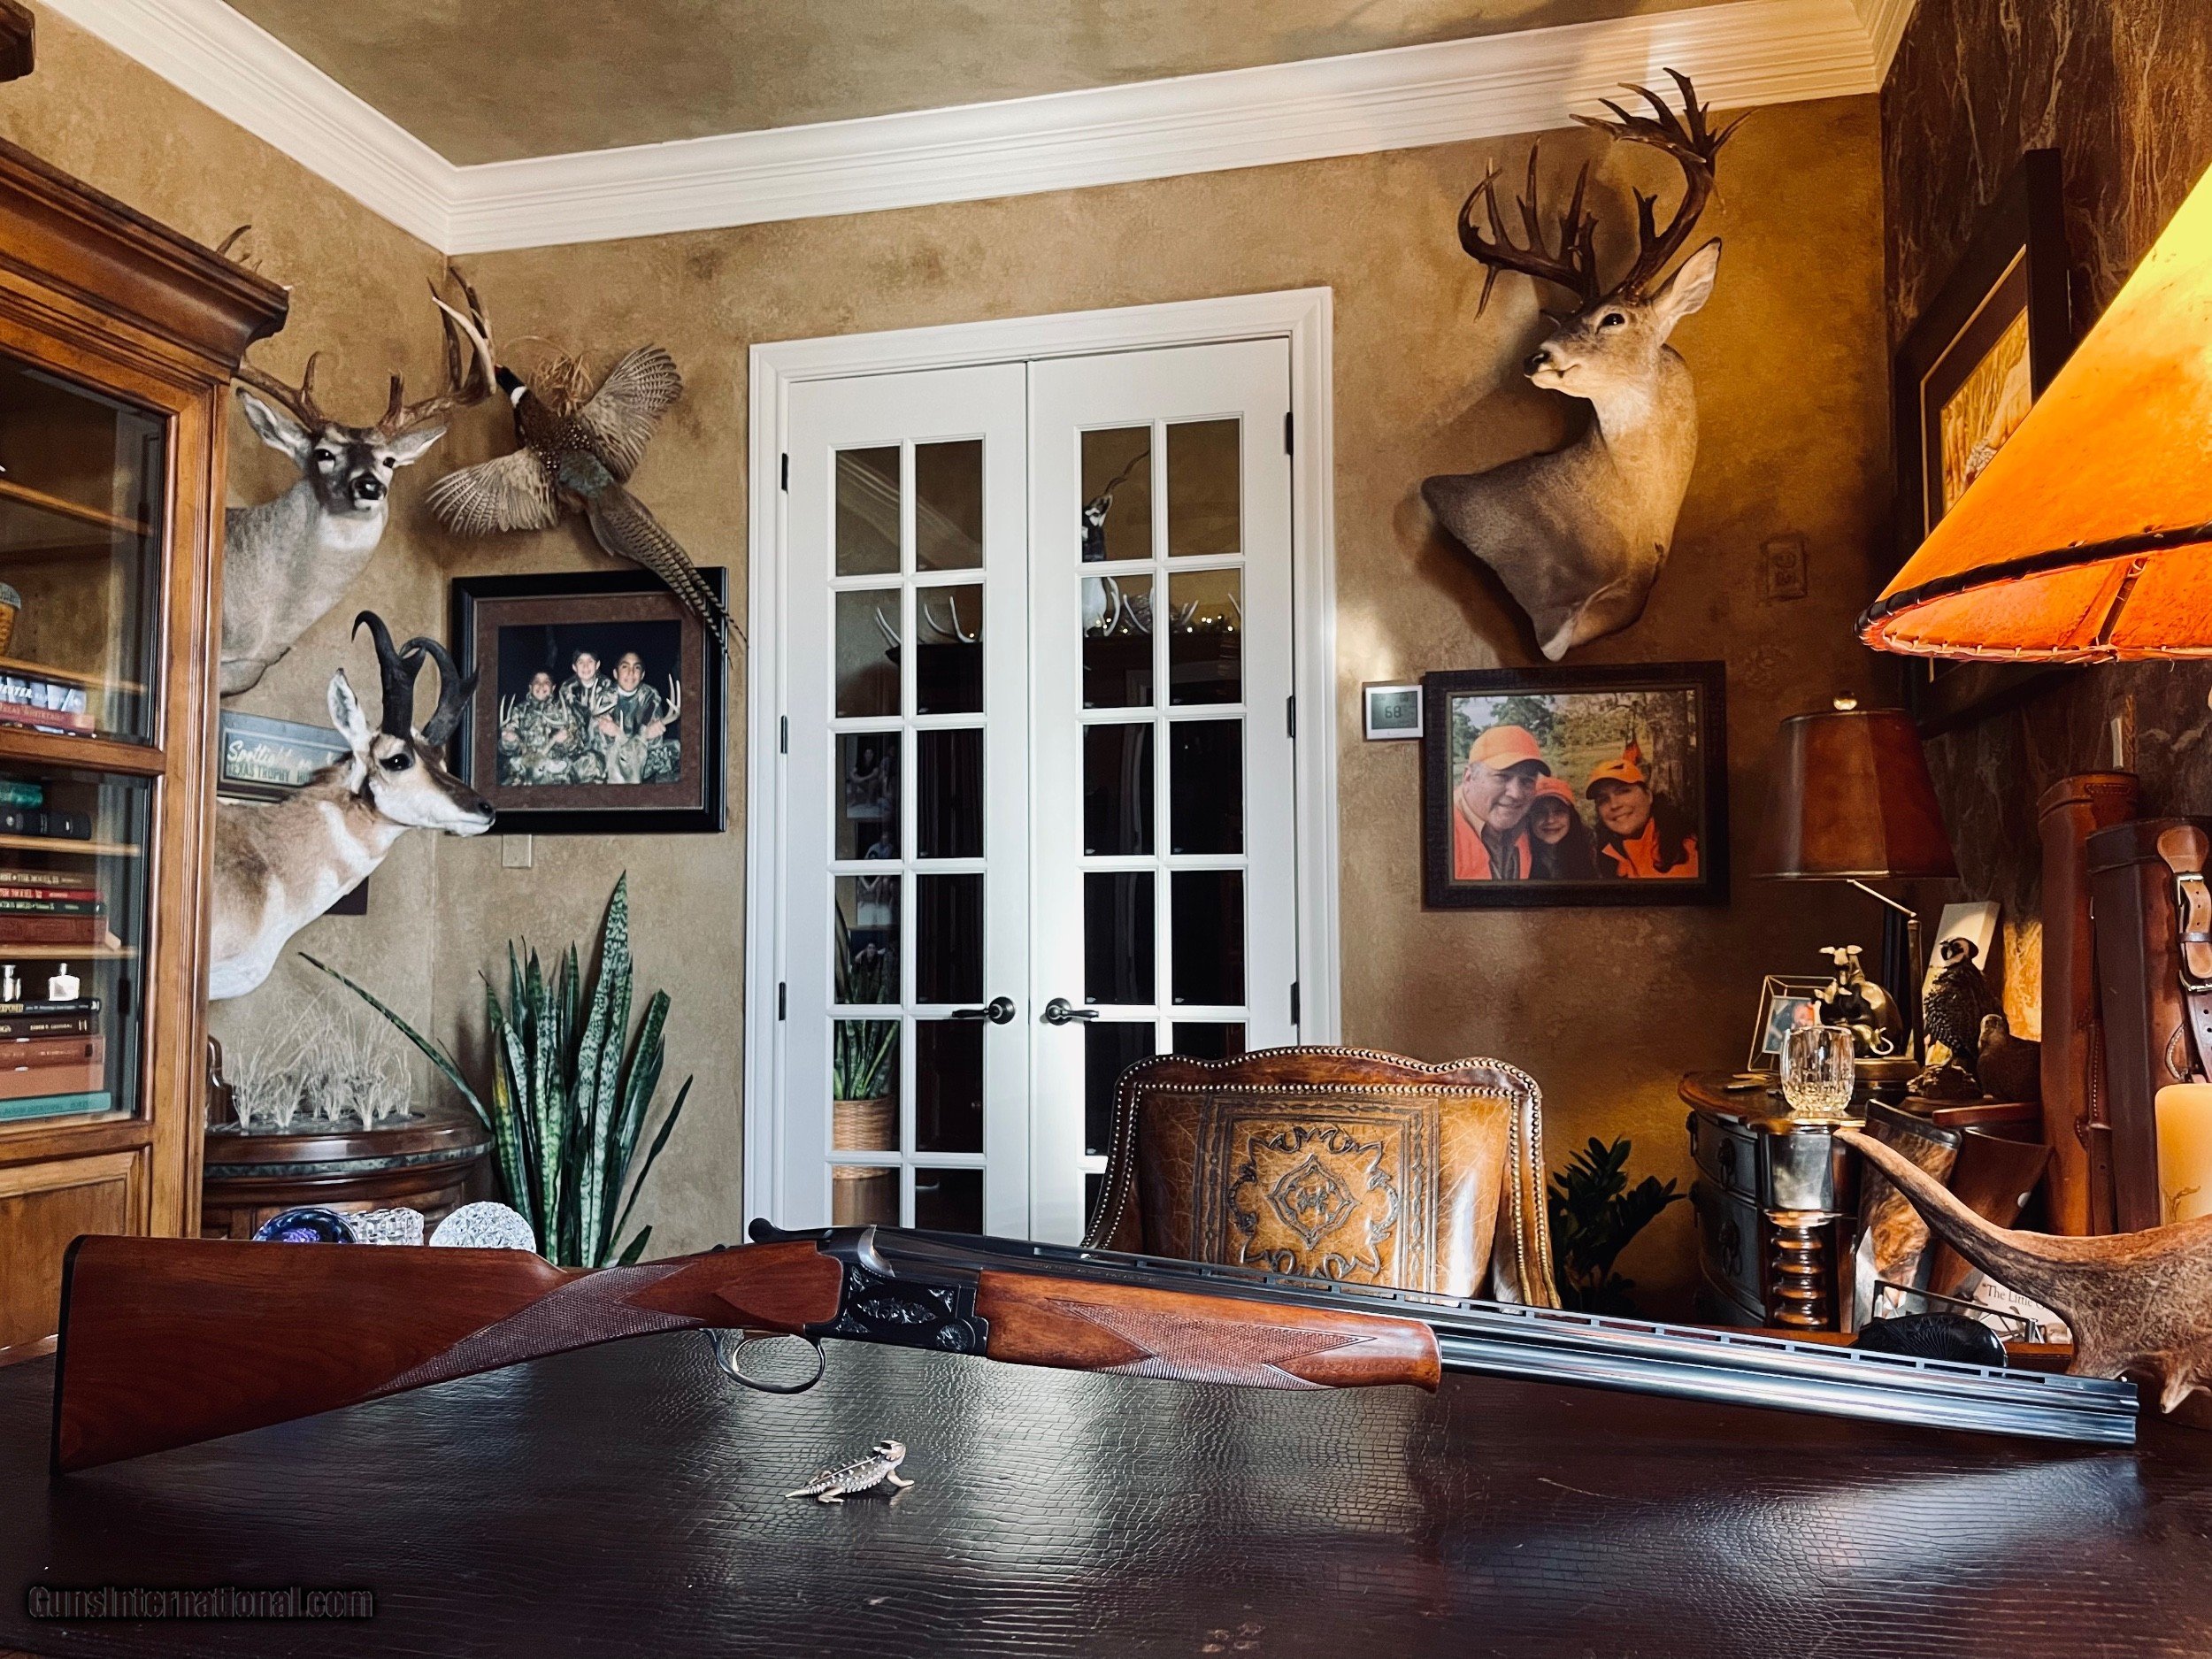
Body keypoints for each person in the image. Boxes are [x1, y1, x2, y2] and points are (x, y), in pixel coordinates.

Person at [1586, 740, 1700, 879]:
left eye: (1623, 791)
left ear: (1649, 796)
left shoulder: (1689, 846)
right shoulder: (1602, 853)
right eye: (1603, 799)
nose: (1614, 805)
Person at [1451, 724, 1548, 880]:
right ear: (1468, 778)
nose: (1516, 794)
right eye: (1502, 777)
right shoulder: (1435, 835)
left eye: (1527, 781)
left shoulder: (1532, 824)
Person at [591, 651, 680, 784]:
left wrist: (653, 733)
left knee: (676, 748)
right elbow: (597, 741)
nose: (631, 672)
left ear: (642, 675)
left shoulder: (649, 697)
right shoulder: (606, 698)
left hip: (640, 755)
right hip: (615, 757)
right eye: (625, 667)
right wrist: (610, 734)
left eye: (637, 668)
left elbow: (651, 734)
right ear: (615, 674)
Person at [1527, 775, 1601, 880]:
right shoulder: (1517, 853)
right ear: (1530, 817)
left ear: (1571, 815)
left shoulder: (1592, 848)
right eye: (1540, 812)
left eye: (1559, 811)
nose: (1550, 820)